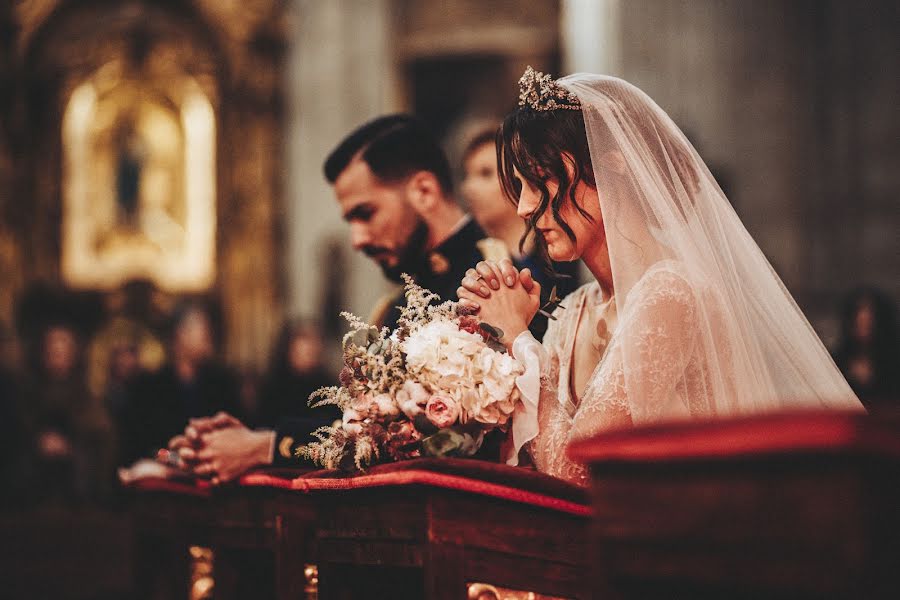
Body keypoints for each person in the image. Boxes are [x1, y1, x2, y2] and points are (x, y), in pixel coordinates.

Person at [458, 67, 864, 484]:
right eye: (520, 186)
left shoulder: (671, 290)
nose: (524, 207)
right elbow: (543, 463)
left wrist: (521, 340)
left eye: (540, 180)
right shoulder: (574, 310)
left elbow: (581, 473)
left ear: (610, 169)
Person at [163, 115, 511, 482]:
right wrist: (248, 439)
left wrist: (264, 446)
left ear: (424, 192)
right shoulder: (389, 307)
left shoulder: (496, 275)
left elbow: (433, 440)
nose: (357, 239)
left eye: (365, 213)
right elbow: (356, 423)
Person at [461, 126, 580, 339]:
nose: (469, 188)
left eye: (486, 174)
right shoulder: (469, 255)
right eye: (467, 175)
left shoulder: (559, 247)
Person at [118, 301, 242, 479]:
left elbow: (237, 434)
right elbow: (144, 446)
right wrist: (175, 459)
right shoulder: (150, 387)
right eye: (200, 327)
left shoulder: (222, 383)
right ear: (179, 334)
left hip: (213, 475)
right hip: (165, 476)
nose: (207, 335)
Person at [832, 288, 899, 410]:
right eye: (859, 323)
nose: (863, 325)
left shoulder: (894, 364)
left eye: (868, 324)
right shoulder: (837, 363)